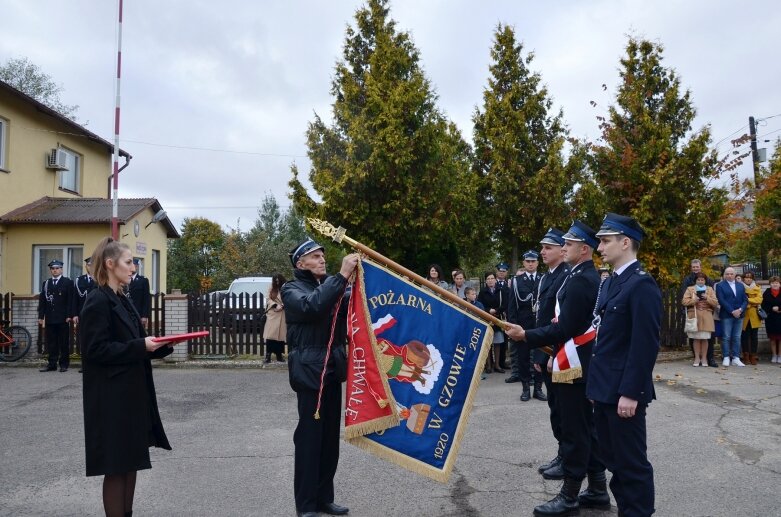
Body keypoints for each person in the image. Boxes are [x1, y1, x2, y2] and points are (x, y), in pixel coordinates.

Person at [506, 221, 607, 516]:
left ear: (584, 249)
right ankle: (598, 488)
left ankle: (570, 496)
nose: (564, 248)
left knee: (577, 431)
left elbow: (565, 328)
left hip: (574, 364)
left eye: (569, 244)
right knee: (582, 428)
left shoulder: (581, 279)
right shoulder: (578, 275)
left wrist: (526, 336)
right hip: (570, 358)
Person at [80, 237, 174, 517]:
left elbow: (134, 343)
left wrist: (160, 346)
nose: (134, 267)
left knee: (130, 461)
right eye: (129, 261)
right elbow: (95, 351)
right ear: (110, 264)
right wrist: (141, 346)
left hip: (130, 394)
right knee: (116, 466)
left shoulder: (121, 297)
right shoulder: (97, 301)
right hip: (111, 397)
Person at [589, 213, 662, 517]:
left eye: (605, 241)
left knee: (631, 465)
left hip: (624, 392)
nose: (600, 247)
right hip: (605, 389)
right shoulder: (612, 282)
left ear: (625, 242)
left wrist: (631, 392)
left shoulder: (641, 285)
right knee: (614, 461)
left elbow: (644, 345)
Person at [282, 238, 358, 517]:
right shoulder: (292, 290)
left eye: (322, 255)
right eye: (314, 257)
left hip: (332, 371)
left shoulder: (330, 287)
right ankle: (305, 505)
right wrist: (342, 275)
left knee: (329, 441)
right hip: (310, 374)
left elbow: (352, 302)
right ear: (300, 264)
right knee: (309, 441)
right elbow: (314, 306)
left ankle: (325, 497)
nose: (322, 259)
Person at [530, 228, 571, 481]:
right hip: (545, 349)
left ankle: (568, 456)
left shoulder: (567, 276)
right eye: (542, 247)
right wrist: (538, 355)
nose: (543, 252)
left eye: (548, 247)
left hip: (560, 352)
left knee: (564, 408)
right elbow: (540, 318)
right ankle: (562, 452)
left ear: (561, 250)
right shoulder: (545, 278)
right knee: (555, 407)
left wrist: (553, 354)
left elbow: (563, 321)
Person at [506, 250, 545, 403]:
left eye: (533, 261)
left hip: (539, 325)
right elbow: (512, 307)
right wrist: (513, 326)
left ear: (537, 263)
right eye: (527, 261)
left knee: (540, 357)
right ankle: (525, 389)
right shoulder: (517, 281)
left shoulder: (543, 279)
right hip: (522, 325)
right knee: (523, 358)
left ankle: (538, 389)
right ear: (523, 263)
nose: (530, 263)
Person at [38, 259, 74, 372]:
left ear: (61, 269)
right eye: (53, 268)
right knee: (51, 342)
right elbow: (42, 301)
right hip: (50, 317)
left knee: (63, 342)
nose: (55, 270)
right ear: (50, 270)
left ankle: (64, 364)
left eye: (57, 268)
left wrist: (69, 315)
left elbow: (70, 300)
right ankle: (52, 364)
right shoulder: (46, 283)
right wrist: (41, 316)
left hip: (63, 317)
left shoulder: (67, 282)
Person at [680, 259, 718, 367]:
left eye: (697, 267)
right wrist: (694, 302)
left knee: (707, 338)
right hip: (694, 313)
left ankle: (708, 358)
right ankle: (696, 357)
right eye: (693, 267)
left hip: (706, 314)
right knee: (695, 338)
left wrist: (707, 301)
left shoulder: (709, 283)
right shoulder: (687, 281)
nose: (695, 268)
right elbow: (684, 299)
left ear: (700, 267)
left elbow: (715, 301)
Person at [716, 267, 748, 367]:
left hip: (740, 314)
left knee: (737, 337)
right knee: (726, 337)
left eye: (731, 274)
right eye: (727, 274)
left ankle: (736, 358)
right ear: (724, 275)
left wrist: (740, 310)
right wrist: (732, 311)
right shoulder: (720, 285)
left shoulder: (740, 286)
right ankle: (726, 357)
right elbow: (721, 300)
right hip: (726, 314)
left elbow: (745, 300)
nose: (729, 275)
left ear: (735, 274)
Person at [71, 257, 98, 373]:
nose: (90, 267)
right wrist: (75, 314)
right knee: (83, 340)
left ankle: (96, 363)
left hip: (97, 314)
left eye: (92, 265)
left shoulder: (100, 279)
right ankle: (85, 364)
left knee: (96, 339)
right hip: (83, 315)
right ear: (86, 266)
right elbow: (75, 299)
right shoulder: (79, 280)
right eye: (88, 265)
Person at [478, 271, 508, 373]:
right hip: (487, 319)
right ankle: (489, 365)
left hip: (498, 318)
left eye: (492, 278)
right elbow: (480, 305)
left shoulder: (501, 290)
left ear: (495, 279)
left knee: (498, 342)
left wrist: (496, 310)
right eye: (488, 279)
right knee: (488, 343)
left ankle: (497, 365)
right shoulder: (482, 291)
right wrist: (488, 310)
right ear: (485, 281)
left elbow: (505, 304)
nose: (490, 281)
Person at [263, 273, 288, 363]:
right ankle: (268, 355)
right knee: (270, 336)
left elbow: (289, 297)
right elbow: (268, 298)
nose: (277, 282)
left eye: (278, 280)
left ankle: (279, 355)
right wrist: (275, 305)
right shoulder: (271, 288)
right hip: (273, 314)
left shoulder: (286, 287)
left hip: (282, 314)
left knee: (280, 337)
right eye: (275, 280)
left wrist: (284, 305)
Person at [740, 271, 762, 365]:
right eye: (746, 277)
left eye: (750, 277)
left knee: (754, 337)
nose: (748, 279)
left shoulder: (757, 287)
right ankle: (745, 355)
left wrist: (748, 300)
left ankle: (753, 355)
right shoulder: (740, 287)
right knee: (744, 336)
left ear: (752, 278)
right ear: (743, 278)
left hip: (754, 315)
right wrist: (752, 302)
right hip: (744, 315)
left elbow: (759, 300)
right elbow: (740, 300)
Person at [127, 259, 152, 328]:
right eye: (131, 265)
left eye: (135, 265)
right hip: (126, 313)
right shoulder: (124, 279)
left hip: (138, 313)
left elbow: (146, 299)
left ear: (137, 267)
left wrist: (144, 315)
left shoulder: (143, 280)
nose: (132, 267)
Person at [762, 276, 781, 363]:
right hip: (771, 319)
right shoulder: (766, 292)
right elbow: (763, 305)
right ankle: (774, 355)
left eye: (776, 283)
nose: (775, 284)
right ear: (770, 284)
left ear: (779, 284)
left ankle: (780, 355)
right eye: (773, 283)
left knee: (780, 339)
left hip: (780, 317)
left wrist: (779, 308)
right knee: (772, 338)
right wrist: (771, 308)